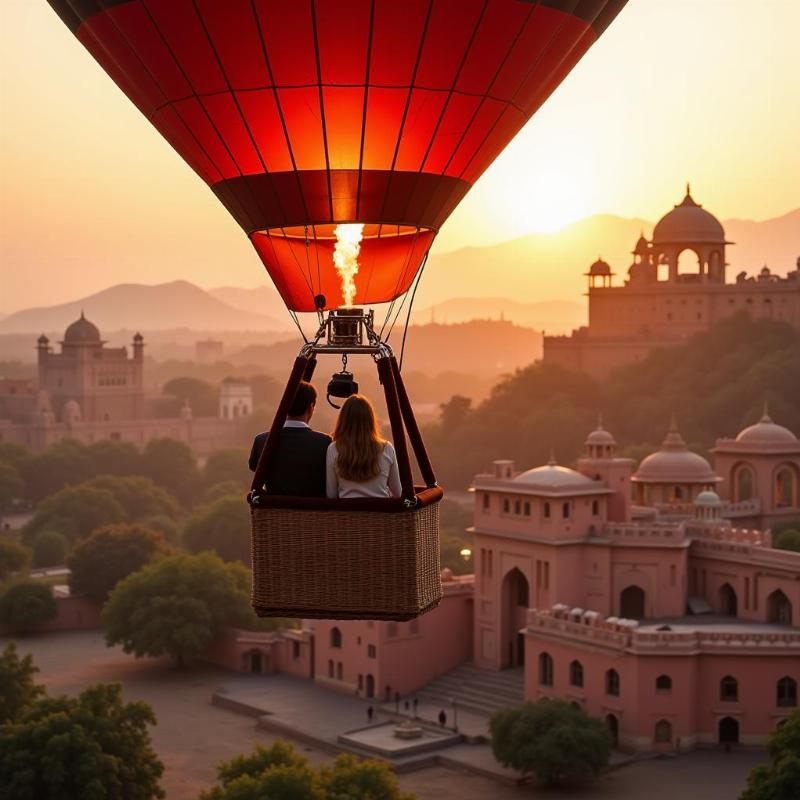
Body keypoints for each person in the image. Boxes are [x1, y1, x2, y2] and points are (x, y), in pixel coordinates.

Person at [248, 381, 331, 497]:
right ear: (311, 408)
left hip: (273, 513)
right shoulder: (325, 443)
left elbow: (254, 467)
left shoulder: (261, 441)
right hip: (314, 513)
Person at [326, 395, 402, 499]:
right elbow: (398, 493)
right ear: (371, 420)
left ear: (343, 420)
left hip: (347, 514)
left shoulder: (334, 449)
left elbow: (331, 494)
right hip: (381, 513)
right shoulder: (386, 448)